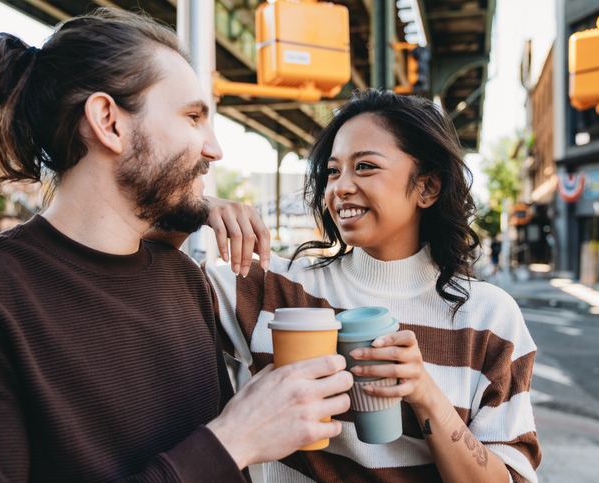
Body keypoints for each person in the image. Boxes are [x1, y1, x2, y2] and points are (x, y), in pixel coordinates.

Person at [0, 9, 353, 482]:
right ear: (108, 121)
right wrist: (234, 439)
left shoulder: (182, 279)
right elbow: (219, 453)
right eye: (193, 116)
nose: (214, 148)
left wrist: (185, 206)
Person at [201, 90, 541, 482]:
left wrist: (426, 396)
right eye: (332, 171)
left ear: (427, 187)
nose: (340, 187)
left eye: (364, 166)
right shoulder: (275, 287)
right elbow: (132, 255)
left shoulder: (489, 317)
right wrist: (201, 208)